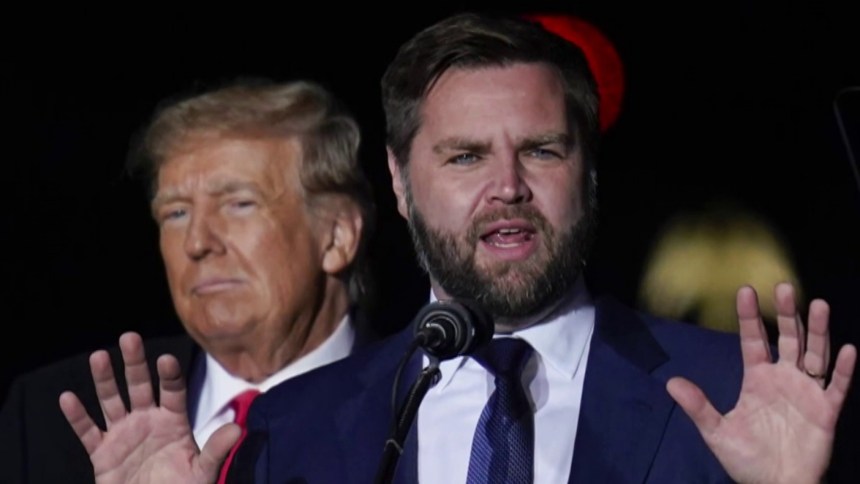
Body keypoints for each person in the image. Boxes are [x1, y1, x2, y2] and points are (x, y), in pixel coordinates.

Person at [43, 12, 856, 484]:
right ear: (399, 183)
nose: (507, 186)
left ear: (589, 174)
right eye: (465, 157)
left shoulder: (733, 394)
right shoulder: (296, 429)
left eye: (541, 150)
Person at [0, 78, 376, 484]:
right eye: (176, 213)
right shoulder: (49, 420)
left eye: (238, 204)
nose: (197, 243)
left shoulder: (411, 409)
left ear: (337, 236)